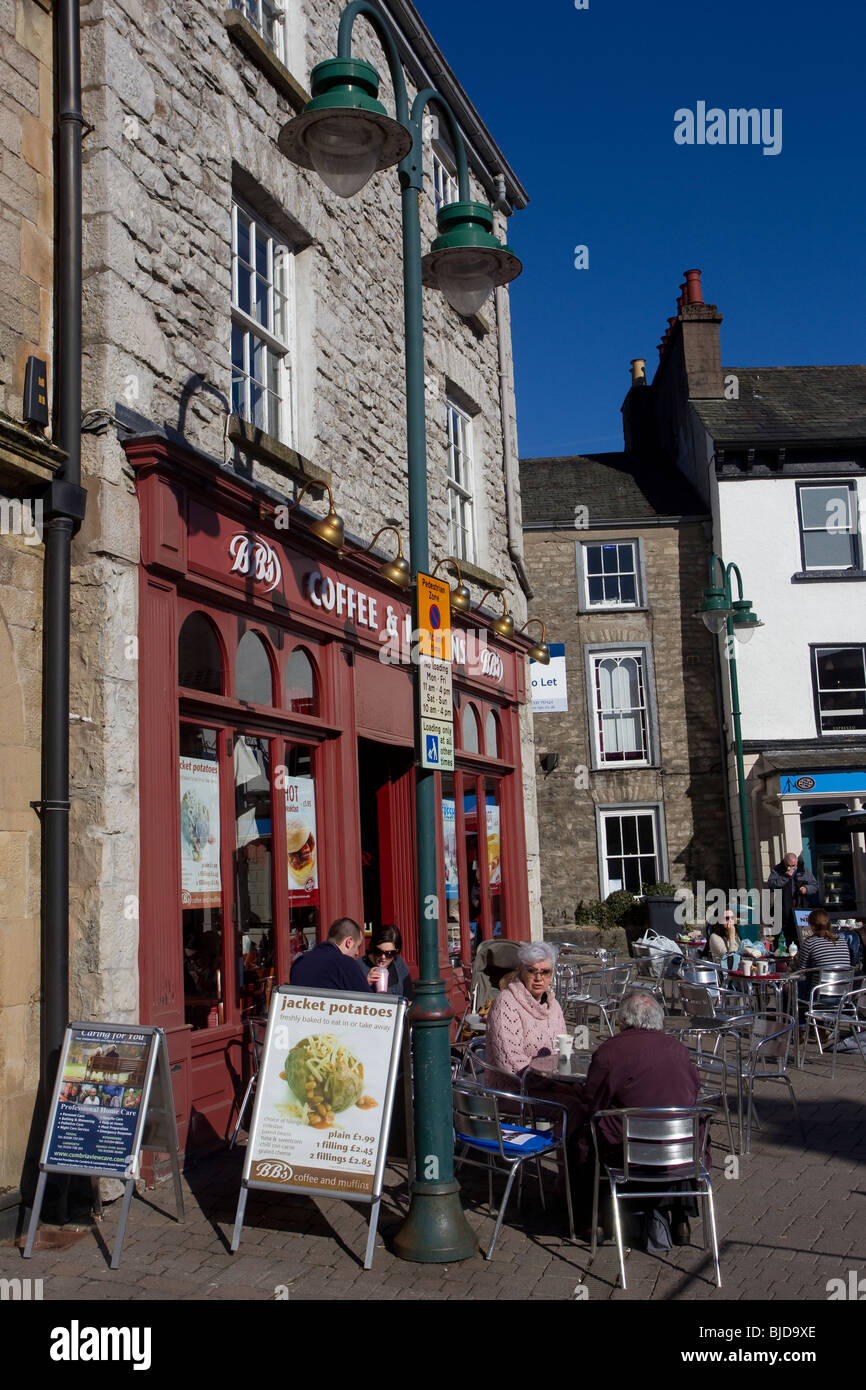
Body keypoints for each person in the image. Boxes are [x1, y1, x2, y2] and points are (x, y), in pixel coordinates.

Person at [572, 990, 702, 1246]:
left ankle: (593, 1221)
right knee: (676, 1130)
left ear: (623, 1020)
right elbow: (693, 1094)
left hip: (629, 1152)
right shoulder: (679, 1050)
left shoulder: (611, 1051)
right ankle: (680, 1218)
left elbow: (593, 1103)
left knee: (582, 1130)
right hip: (680, 1152)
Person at [485, 941, 566, 1075]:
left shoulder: (554, 1006)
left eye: (545, 972)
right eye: (532, 971)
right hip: (517, 1088)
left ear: (551, 975)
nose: (538, 978)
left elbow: (564, 1052)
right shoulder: (505, 1003)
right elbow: (511, 1063)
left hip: (554, 1081)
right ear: (521, 972)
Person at [288, 918, 382, 993]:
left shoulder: (300, 962)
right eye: (357, 946)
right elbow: (366, 1003)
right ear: (348, 942)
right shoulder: (346, 963)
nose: (357, 953)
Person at [767, 853, 818, 934]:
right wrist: (785, 877)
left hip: (801, 907)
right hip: (782, 908)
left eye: (793, 865)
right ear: (784, 862)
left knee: (803, 934)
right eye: (788, 865)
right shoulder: (777, 870)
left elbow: (815, 886)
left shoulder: (804, 870)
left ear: (797, 862)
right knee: (783, 935)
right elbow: (771, 886)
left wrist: (806, 889)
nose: (791, 868)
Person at [359, 925, 414, 999]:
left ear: (396, 951)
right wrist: (365, 984)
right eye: (378, 951)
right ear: (372, 947)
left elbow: (409, 995)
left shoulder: (398, 963)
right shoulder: (359, 966)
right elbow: (349, 1001)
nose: (383, 957)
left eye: (389, 953)